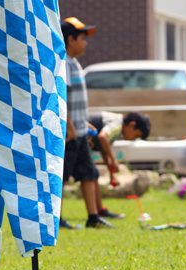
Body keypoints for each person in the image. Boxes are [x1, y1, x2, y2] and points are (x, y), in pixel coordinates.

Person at [60, 17, 114, 229]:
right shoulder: (62, 62)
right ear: (71, 39)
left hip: (80, 131)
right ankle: (57, 218)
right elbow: (61, 97)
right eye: (82, 38)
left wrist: (85, 124)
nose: (86, 43)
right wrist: (70, 127)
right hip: (70, 133)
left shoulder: (74, 63)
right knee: (62, 177)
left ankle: (93, 217)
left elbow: (77, 101)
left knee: (89, 174)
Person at [88, 111, 151, 212]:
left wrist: (112, 175)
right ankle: (96, 213)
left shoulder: (117, 128)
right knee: (89, 175)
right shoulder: (117, 124)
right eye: (135, 136)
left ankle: (99, 211)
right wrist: (114, 160)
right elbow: (102, 137)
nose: (132, 139)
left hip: (82, 140)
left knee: (92, 174)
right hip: (78, 138)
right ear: (132, 125)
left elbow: (103, 149)